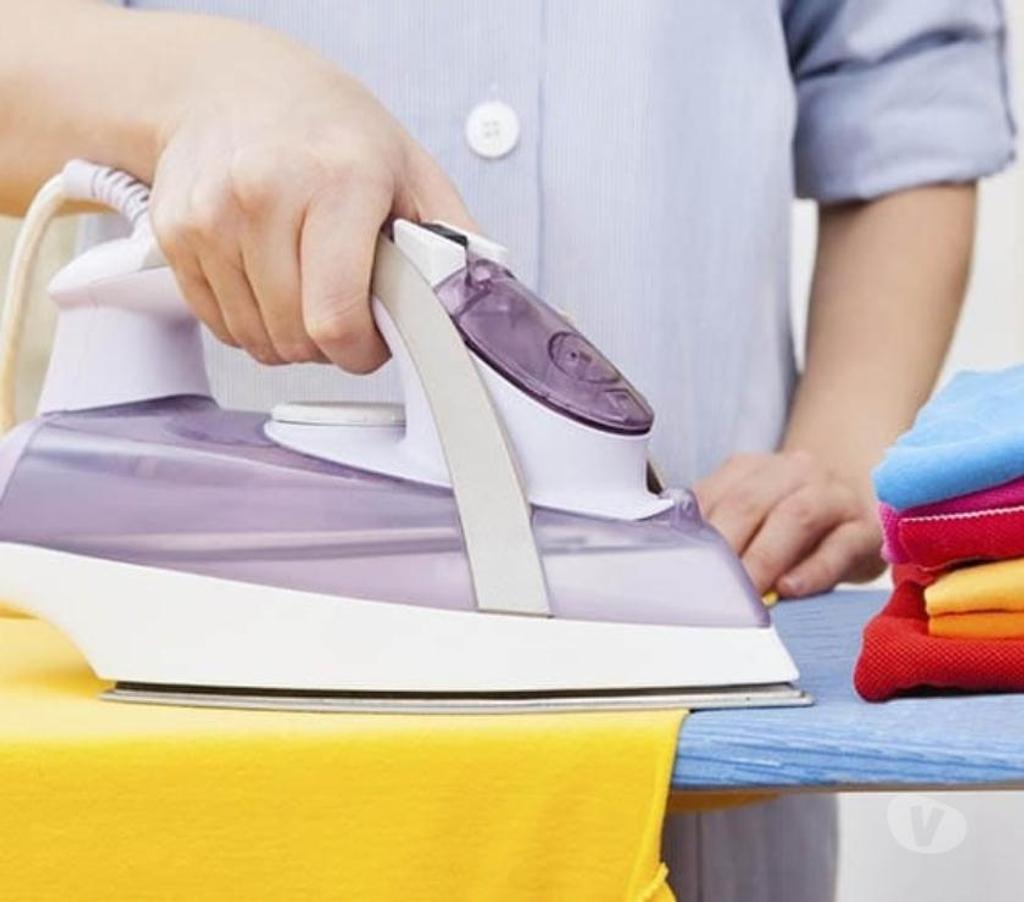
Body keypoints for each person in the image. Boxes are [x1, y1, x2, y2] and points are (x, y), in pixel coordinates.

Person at [0, 1, 1015, 898]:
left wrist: (839, 452)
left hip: (692, 791)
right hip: (206, 812)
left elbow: (903, 92)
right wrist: (206, 87)